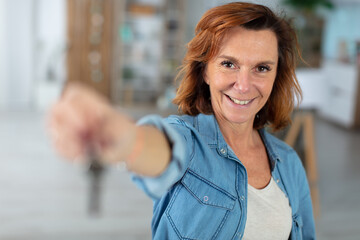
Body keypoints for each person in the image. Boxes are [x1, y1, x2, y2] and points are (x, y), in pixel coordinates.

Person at [48, 2, 316, 239]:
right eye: (228, 64)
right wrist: (127, 139)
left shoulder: (289, 162)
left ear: (275, 76)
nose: (244, 85)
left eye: (262, 68)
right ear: (205, 71)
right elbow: (160, 148)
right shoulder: (187, 141)